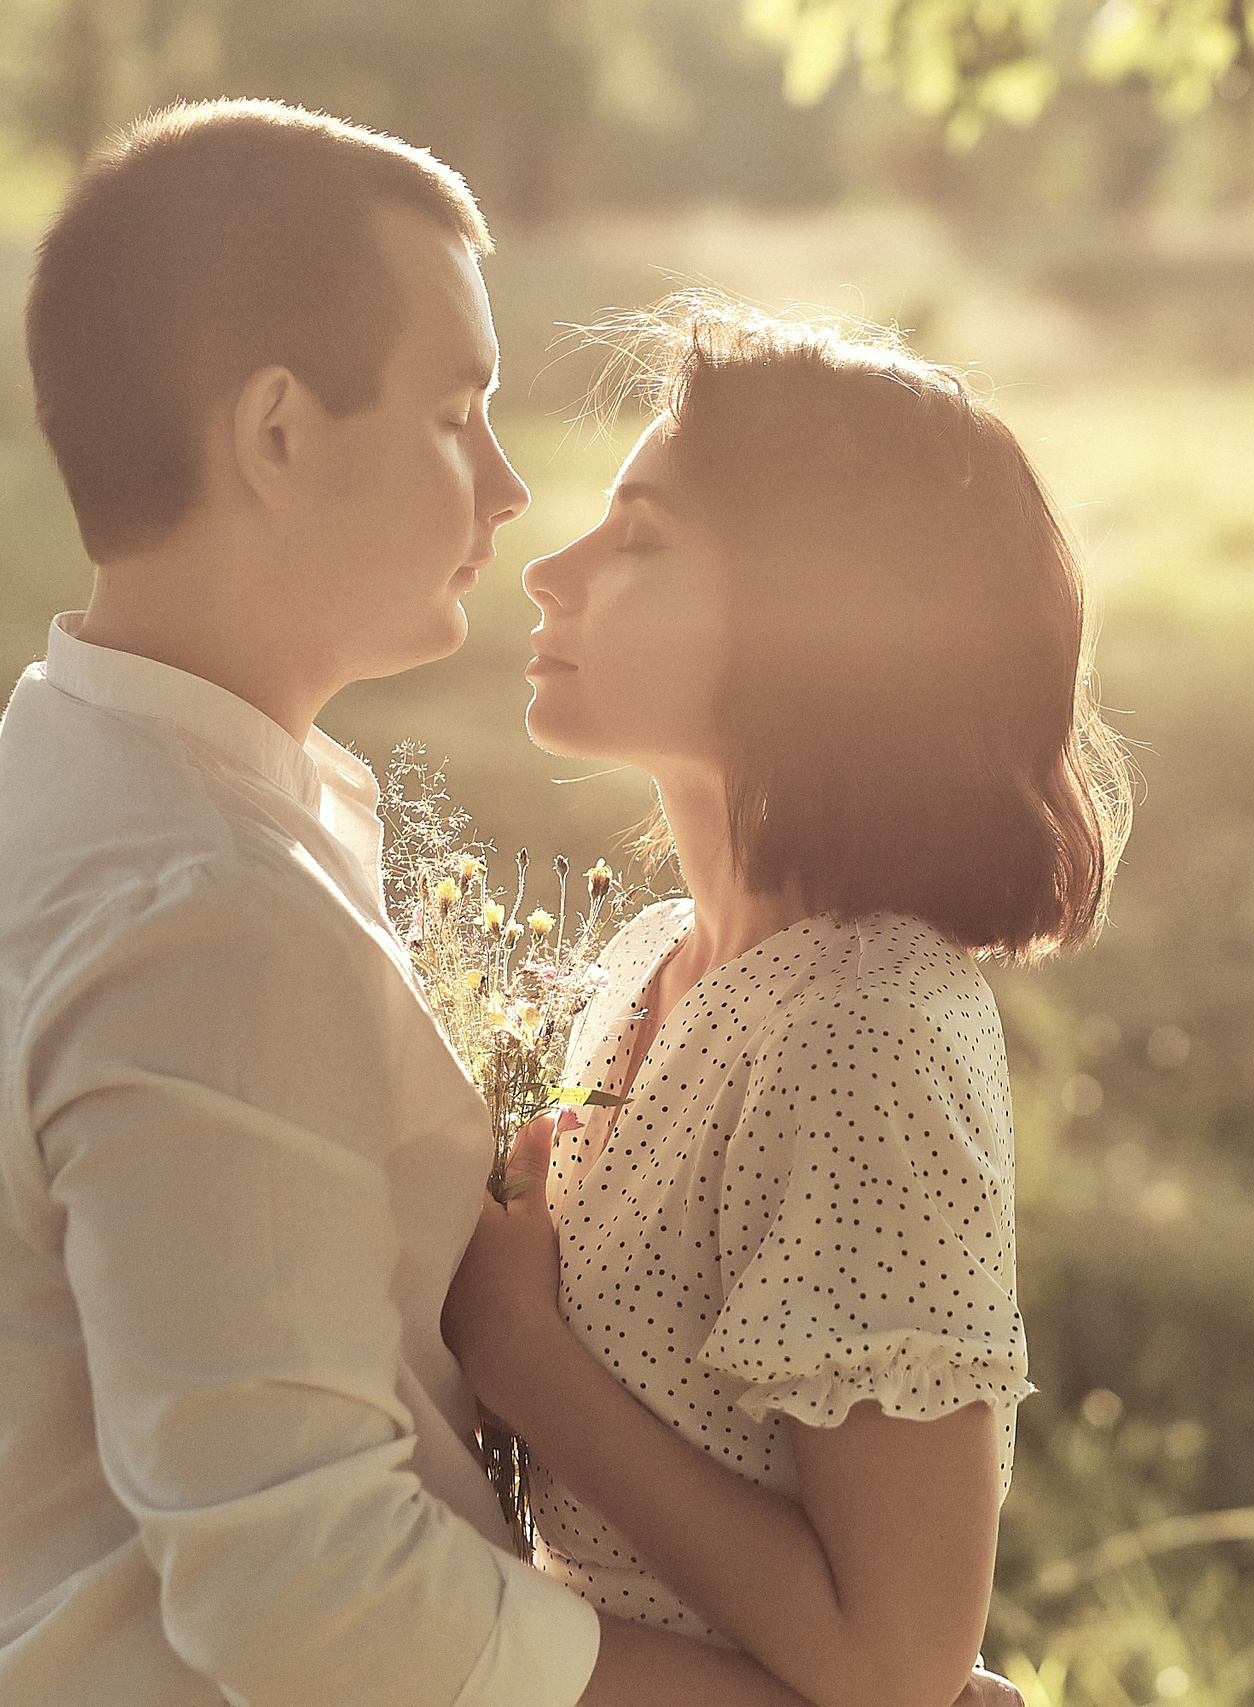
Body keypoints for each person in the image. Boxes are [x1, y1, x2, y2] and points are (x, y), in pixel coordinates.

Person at [0, 99, 1021, 1707]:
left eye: (642, 531)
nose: (510, 505)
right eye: (457, 413)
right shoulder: (211, 910)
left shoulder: (82, 788)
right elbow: (306, 1591)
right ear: (277, 436)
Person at [441, 301, 1132, 1707]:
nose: (550, 574)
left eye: (639, 537)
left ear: (820, 618)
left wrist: (526, 1363)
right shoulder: (652, 963)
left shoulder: (854, 1039)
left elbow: (896, 1668)